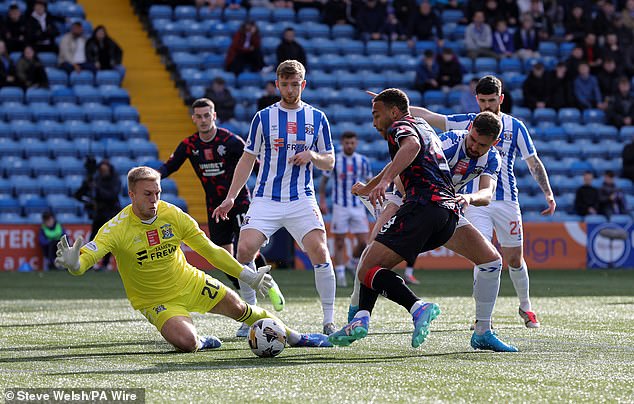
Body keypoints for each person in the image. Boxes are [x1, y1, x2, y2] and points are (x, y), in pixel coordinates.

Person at [54, 166, 332, 352]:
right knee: (186, 344)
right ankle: (200, 341)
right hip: (155, 299)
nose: (154, 199)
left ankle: (297, 337)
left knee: (240, 308)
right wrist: (75, 264)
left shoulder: (172, 215)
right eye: (147, 194)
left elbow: (210, 250)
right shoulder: (115, 228)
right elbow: (86, 259)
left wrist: (247, 275)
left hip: (189, 281)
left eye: (158, 193)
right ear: (131, 194)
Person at [341, 109, 518, 352]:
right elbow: (402, 166)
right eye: (473, 139)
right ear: (469, 130)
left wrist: (468, 197)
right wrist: (379, 190)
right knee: (373, 252)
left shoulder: (492, 158)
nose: (475, 147)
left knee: (491, 261)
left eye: (482, 144)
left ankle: (483, 332)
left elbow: (487, 194)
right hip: (408, 198)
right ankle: (357, 317)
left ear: (494, 143)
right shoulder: (449, 141)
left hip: (445, 207)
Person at [408, 75, 557, 328]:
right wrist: (397, 107)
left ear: (501, 99)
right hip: (475, 201)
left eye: (491, 100)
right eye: (482, 100)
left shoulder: (515, 126)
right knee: (484, 255)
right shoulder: (470, 122)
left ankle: (526, 307)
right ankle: (481, 317)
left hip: (507, 201)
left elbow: (532, 161)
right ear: (477, 99)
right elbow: (432, 117)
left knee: (514, 259)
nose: (487, 105)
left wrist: (548, 192)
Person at [327, 88, 460, 349]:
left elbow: (411, 146)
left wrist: (386, 182)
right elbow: (404, 157)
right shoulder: (422, 125)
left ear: (394, 112)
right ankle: (362, 318)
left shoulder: (399, 127)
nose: (374, 122)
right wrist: (371, 185)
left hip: (422, 207)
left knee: (366, 266)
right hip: (447, 217)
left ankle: (417, 307)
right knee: (373, 264)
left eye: (376, 114)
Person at [212, 60, 338, 335]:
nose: (290, 90)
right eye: (285, 84)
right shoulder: (263, 117)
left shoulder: (317, 118)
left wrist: (312, 156)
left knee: (320, 251)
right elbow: (247, 159)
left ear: (303, 84)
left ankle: (329, 320)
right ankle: (250, 314)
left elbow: (329, 161)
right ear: (277, 85)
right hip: (266, 197)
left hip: (301, 198)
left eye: (295, 84)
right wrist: (231, 197)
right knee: (244, 249)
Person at [158, 98, 279, 337]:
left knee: (245, 254)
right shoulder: (190, 144)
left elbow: (258, 167)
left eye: (207, 115)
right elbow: (168, 168)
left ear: (214, 116)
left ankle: (252, 314)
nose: (203, 120)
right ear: (193, 118)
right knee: (225, 261)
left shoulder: (231, 141)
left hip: (239, 203)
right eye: (198, 116)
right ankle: (259, 285)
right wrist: (148, 178)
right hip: (214, 208)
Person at [319, 131, 372, 287]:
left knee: (364, 243)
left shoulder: (363, 161)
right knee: (340, 241)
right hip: (340, 206)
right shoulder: (335, 160)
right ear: (342, 143)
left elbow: (369, 182)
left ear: (356, 143)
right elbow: (323, 182)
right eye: (347, 143)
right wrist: (322, 201)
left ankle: (352, 263)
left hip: (358, 206)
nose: (349, 145)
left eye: (352, 143)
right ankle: (340, 273)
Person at [74, 159, 122, 271]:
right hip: (99, 213)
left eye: (105, 169)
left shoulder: (115, 179)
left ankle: (105, 264)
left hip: (111, 213)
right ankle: (88, 262)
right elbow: (78, 194)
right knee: (93, 238)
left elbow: (112, 195)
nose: (103, 171)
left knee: (108, 239)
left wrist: (96, 188)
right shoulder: (97, 179)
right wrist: (87, 184)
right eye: (101, 170)